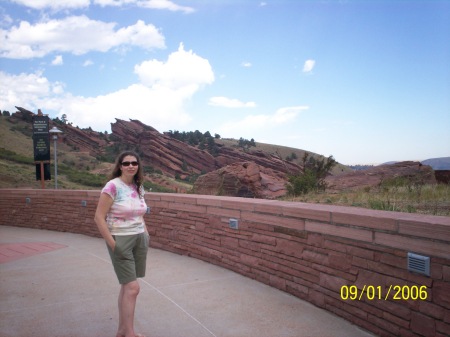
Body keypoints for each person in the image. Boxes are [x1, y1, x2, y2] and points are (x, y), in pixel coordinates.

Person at [94, 151, 149, 337]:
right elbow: (98, 218)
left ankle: (122, 332)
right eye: (126, 163)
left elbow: (140, 212)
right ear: (120, 166)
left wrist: (145, 233)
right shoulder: (112, 186)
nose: (131, 166)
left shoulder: (138, 186)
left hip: (139, 238)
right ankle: (130, 334)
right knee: (134, 288)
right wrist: (113, 244)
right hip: (120, 239)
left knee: (127, 286)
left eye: (134, 162)